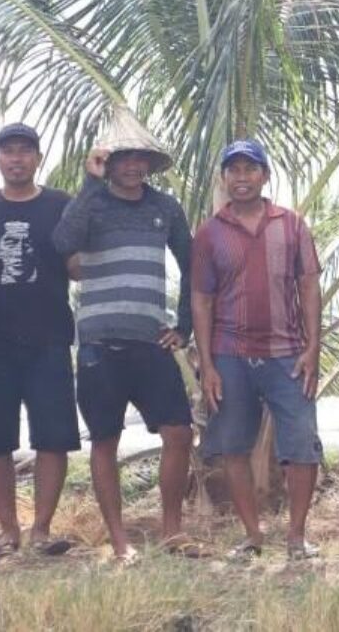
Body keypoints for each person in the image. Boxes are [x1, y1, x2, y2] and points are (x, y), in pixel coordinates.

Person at [52, 120, 197, 562]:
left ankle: (171, 531)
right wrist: (88, 183)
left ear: (150, 164)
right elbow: (62, 241)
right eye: (123, 158)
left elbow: (192, 265)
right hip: (99, 343)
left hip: (151, 341)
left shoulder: (166, 208)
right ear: (108, 162)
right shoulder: (90, 203)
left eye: (141, 159)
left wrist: (184, 327)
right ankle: (119, 542)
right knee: (105, 439)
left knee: (179, 432)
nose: (133, 166)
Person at [192, 139, 326, 560]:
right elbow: (201, 300)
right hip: (230, 355)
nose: (242, 177)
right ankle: (252, 536)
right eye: (234, 170)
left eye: (251, 169)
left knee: (301, 446)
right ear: (224, 178)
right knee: (233, 446)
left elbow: (308, 286)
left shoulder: (291, 225)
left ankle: (297, 537)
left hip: (288, 355)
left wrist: (313, 349)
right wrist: (207, 365)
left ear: (265, 176)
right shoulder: (209, 233)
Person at [0, 123, 79, 558]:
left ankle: (41, 528)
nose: (16, 158)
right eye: (7, 151)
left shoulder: (62, 205)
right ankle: (8, 530)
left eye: (24, 151)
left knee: (53, 438)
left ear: (38, 158)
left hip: (49, 338)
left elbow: (76, 265)